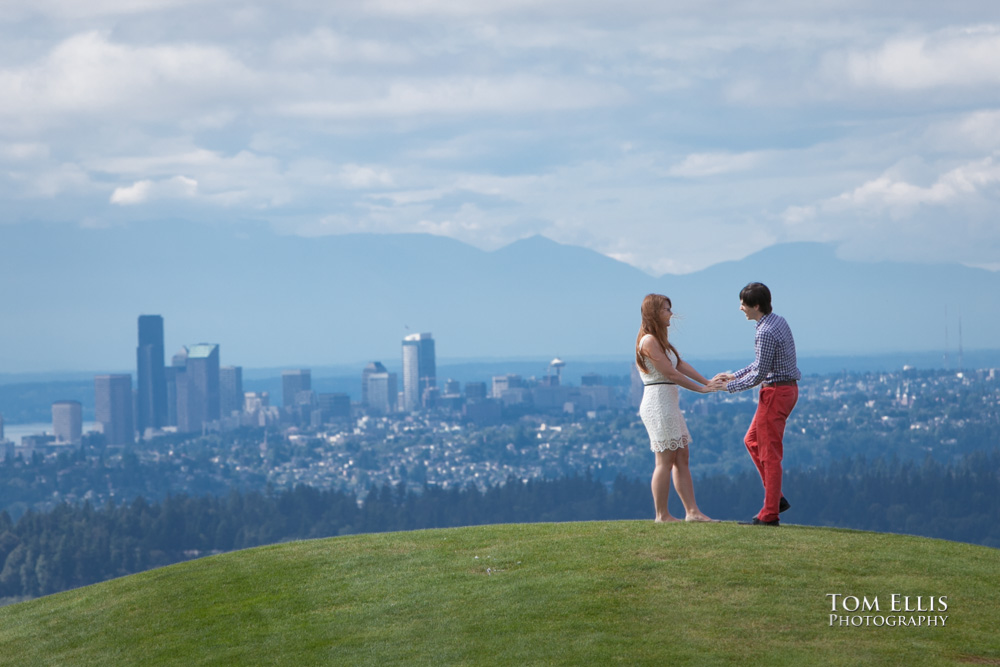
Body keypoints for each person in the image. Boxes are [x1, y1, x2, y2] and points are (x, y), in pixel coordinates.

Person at [715, 282, 801, 526]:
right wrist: (735, 375)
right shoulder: (777, 321)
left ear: (756, 306)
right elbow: (759, 364)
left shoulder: (764, 331)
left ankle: (770, 513)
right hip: (785, 390)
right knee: (752, 441)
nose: (740, 308)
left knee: (769, 455)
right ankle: (776, 498)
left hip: (775, 393)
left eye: (743, 303)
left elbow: (760, 373)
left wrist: (728, 387)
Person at [635, 293, 724, 523]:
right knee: (665, 459)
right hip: (658, 404)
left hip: (668, 403)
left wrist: (707, 382)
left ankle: (692, 512)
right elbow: (671, 373)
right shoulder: (649, 341)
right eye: (666, 309)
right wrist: (702, 390)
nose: (670, 314)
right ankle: (661, 515)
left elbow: (680, 365)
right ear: (654, 312)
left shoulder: (660, 340)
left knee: (682, 455)